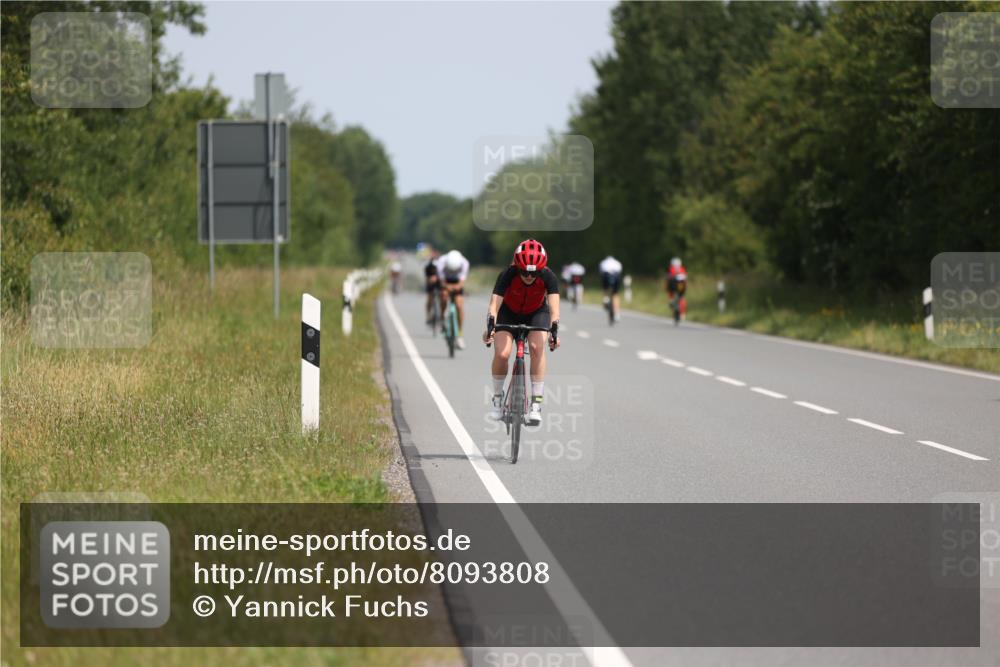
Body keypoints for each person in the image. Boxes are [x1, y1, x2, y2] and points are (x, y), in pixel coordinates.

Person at [483, 239, 560, 426]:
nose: (528, 276)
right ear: (517, 266)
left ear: (541, 269)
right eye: (524, 271)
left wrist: (554, 333)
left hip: (536, 313)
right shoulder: (507, 274)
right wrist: (490, 329)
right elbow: (494, 305)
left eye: (533, 273)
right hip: (508, 312)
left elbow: (554, 309)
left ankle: (536, 404)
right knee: (502, 353)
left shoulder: (548, 276)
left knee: (536, 347)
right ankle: (498, 400)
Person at [436, 249, 470, 349]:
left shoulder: (464, 263)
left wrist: (457, 287)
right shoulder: (441, 262)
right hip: (445, 281)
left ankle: (459, 334)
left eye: (454, 270)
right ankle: (442, 318)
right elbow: (441, 281)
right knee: (443, 296)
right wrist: (447, 287)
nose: (452, 271)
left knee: (459, 305)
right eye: (451, 270)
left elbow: (462, 282)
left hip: (457, 282)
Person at [599, 255, 623, 321]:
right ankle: (617, 314)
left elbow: (601, 271)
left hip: (606, 276)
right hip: (616, 277)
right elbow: (620, 271)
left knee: (605, 289)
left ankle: (605, 299)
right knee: (615, 294)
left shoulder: (603, 262)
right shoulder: (617, 263)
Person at [666, 256, 688, 321]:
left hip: (674, 287)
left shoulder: (671, 268)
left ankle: (671, 301)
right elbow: (685, 280)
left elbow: (668, 281)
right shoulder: (682, 269)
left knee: (676, 297)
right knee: (681, 297)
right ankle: (682, 314)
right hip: (680, 286)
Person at [424, 250, 440, 324]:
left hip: (439, 283)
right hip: (430, 283)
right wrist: (429, 280)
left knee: (442, 296)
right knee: (430, 298)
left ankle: (441, 315)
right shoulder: (427, 267)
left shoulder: (440, 266)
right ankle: (428, 315)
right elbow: (427, 278)